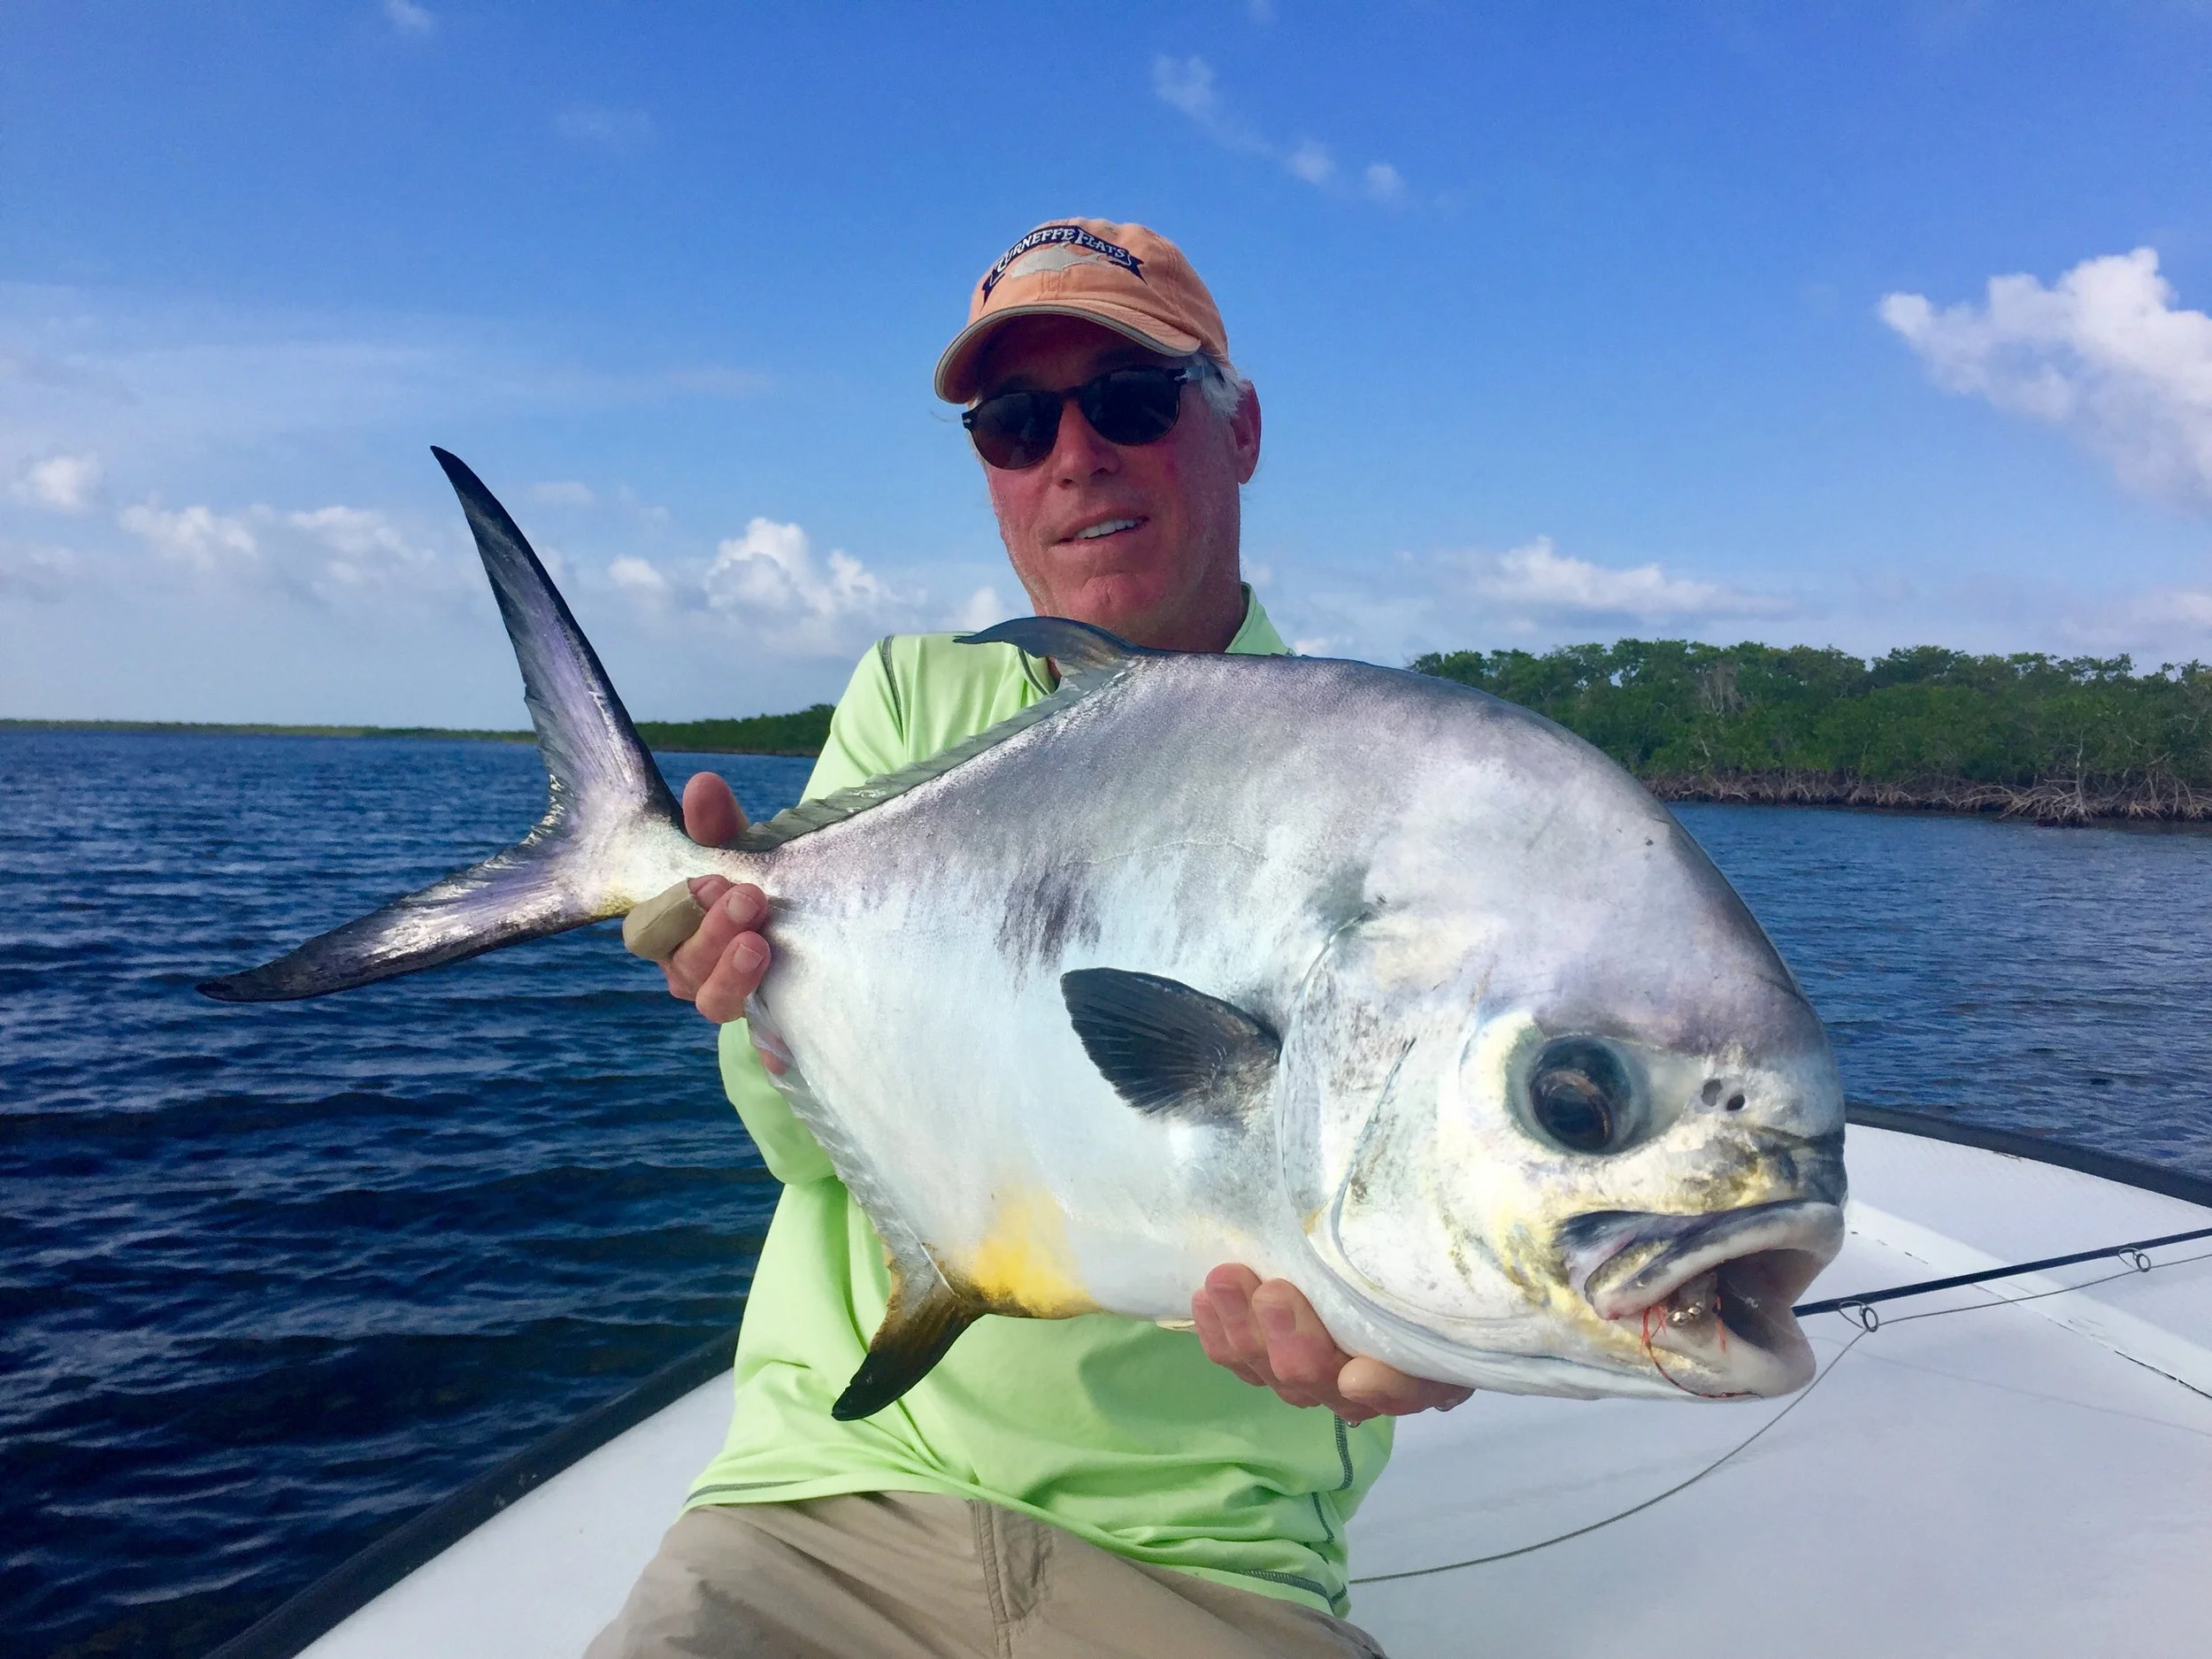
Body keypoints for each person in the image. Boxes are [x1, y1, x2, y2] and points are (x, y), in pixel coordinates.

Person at [589, 219, 1468, 1659]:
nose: (1074, 456)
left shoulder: (1367, 775)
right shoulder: (909, 699)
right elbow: (815, 1151)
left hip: (1209, 1553)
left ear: (1238, 429)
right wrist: (744, 996)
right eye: (1014, 422)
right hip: (828, 1500)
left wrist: (1430, 1329)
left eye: (1128, 401)